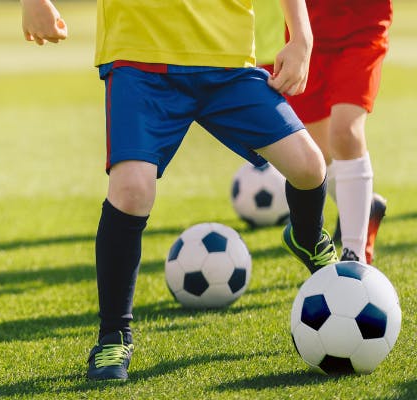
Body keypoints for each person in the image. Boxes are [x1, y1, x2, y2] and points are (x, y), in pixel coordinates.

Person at [22, 0, 334, 381]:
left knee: (308, 165)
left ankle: (307, 237)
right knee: (132, 190)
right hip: (139, 60)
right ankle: (113, 336)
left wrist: (301, 35)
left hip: (228, 62)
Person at [281, 0, 392, 264]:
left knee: (345, 133)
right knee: (315, 153)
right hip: (306, 34)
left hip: (362, 29)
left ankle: (355, 256)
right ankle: (365, 208)